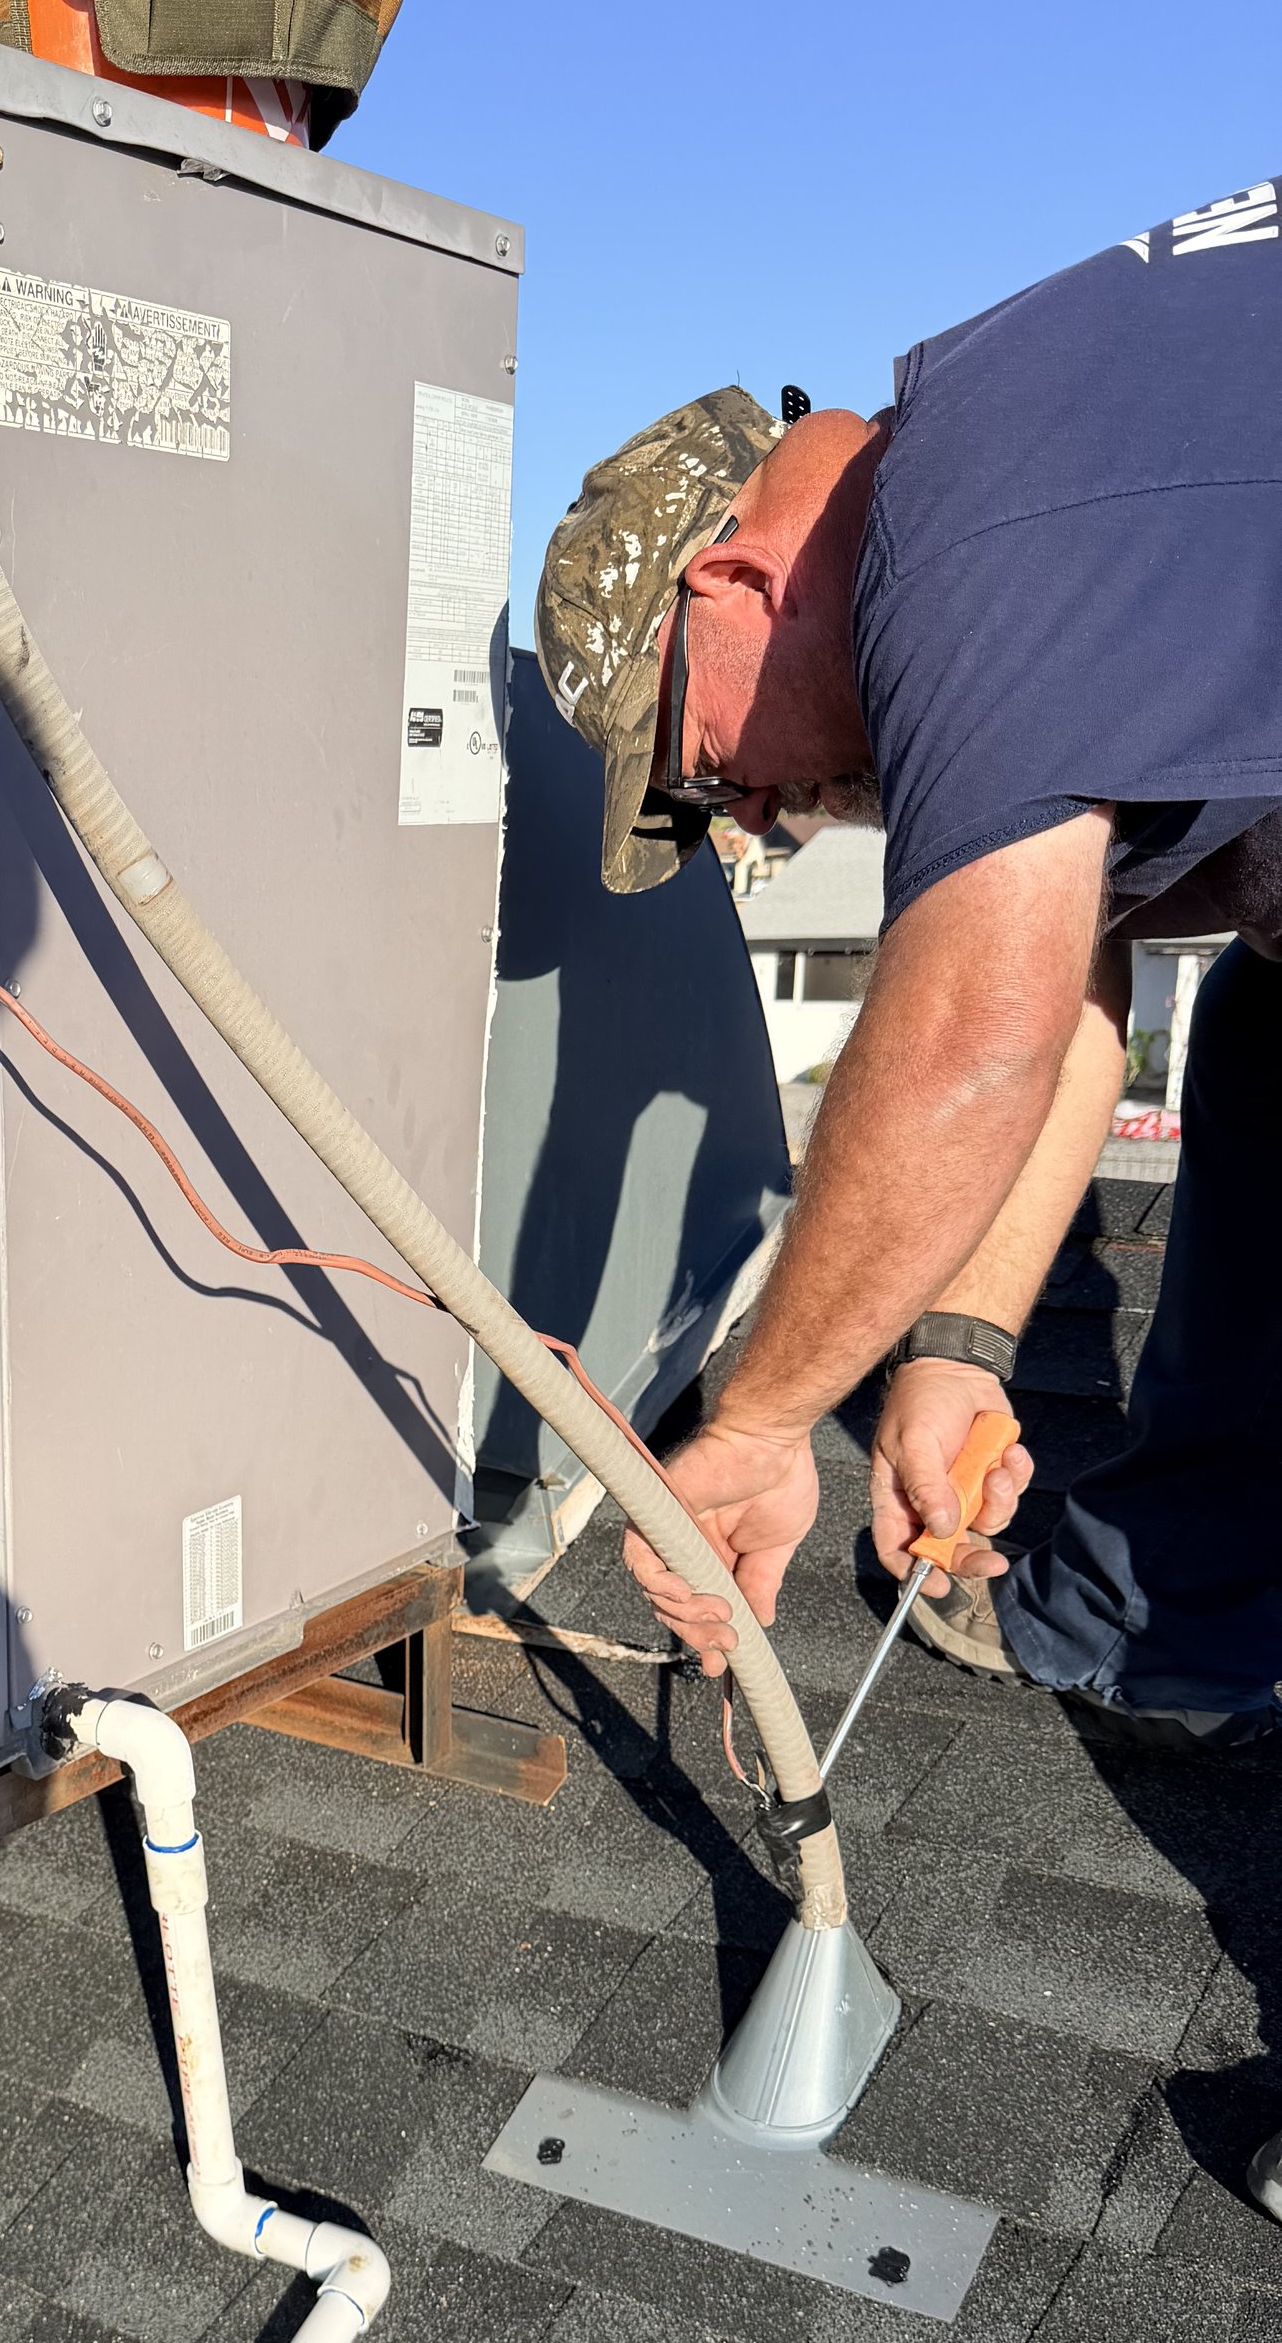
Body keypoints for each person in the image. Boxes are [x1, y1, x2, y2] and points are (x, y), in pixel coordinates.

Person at [532, 178, 1282, 1751]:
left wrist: (756, 1423)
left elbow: (972, 1038)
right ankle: (1205, 1597)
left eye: (699, 763)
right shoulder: (1042, 483)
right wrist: (957, 1346)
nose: (749, 810)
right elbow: (1071, 983)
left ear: (726, 589)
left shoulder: (966, 532)